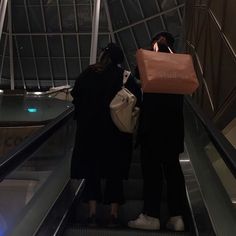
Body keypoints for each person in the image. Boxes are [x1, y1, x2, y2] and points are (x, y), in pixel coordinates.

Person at [70, 43, 142, 227]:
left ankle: (92, 213)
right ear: (119, 59)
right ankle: (113, 214)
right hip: (116, 134)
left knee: (91, 172)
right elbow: (137, 102)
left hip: (90, 134)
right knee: (115, 173)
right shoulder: (124, 77)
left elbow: (75, 97)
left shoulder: (87, 74)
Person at [128, 32, 187, 231]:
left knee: (152, 172)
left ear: (155, 42)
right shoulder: (178, 64)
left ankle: (151, 215)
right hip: (174, 128)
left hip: (152, 128)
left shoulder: (149, 60)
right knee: (173, 170)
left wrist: (154, 50)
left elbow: (137, 73)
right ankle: (176, 216)